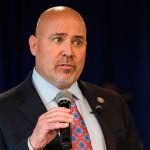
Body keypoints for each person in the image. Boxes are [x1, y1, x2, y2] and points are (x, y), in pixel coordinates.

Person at [0, 6, 142, 150]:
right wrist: (31, 146)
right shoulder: (3, 110)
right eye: (58, 39)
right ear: (34, 45)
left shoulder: (114, 103)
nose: (68, 52)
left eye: (78, 42)